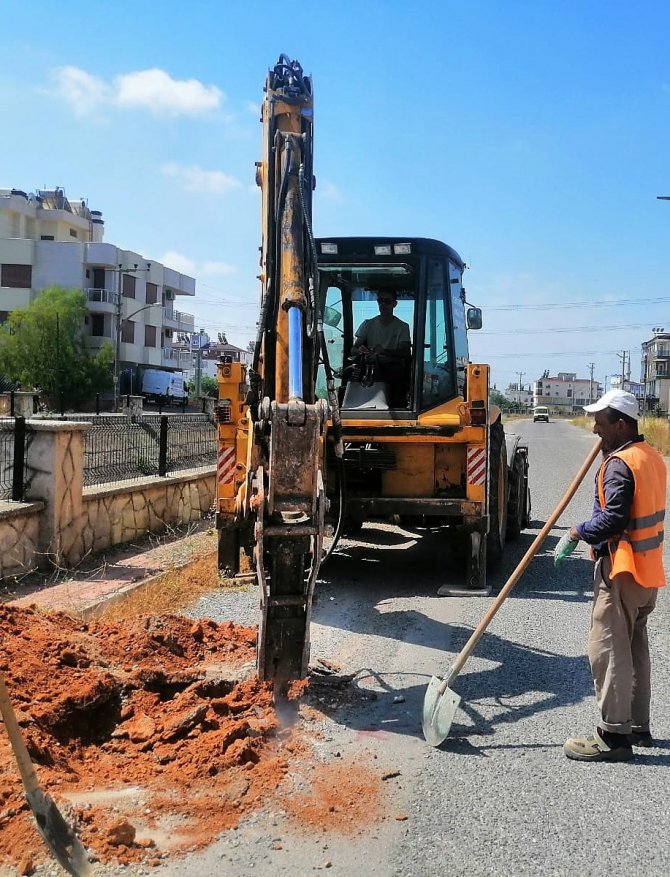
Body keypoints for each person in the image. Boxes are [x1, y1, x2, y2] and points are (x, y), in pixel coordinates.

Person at [554, 389, 666, 762]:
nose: (594, 429)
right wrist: (599, 539)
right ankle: (637, 725)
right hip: (647, 572)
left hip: (622, 570)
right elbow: (632, 515)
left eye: (601, 423)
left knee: (607, 650)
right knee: (635, 648)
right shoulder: (650, 456)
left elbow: (615, 516)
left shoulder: (619, 463)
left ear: (620, 424)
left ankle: (614, 738)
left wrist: (577, 533)